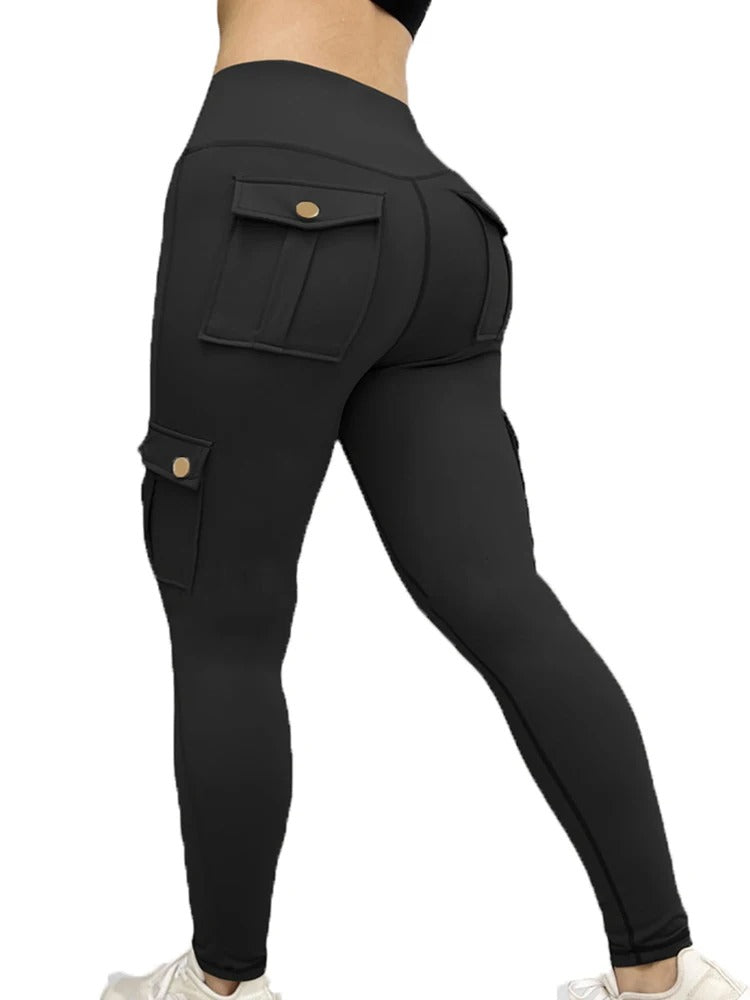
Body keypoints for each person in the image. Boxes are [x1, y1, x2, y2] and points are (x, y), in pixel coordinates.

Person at [104, 2, 747, 999]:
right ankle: (666, 975)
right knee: (506, 603)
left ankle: (219, 987)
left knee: (225, 622)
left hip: (276, 204)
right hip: (443, 225)